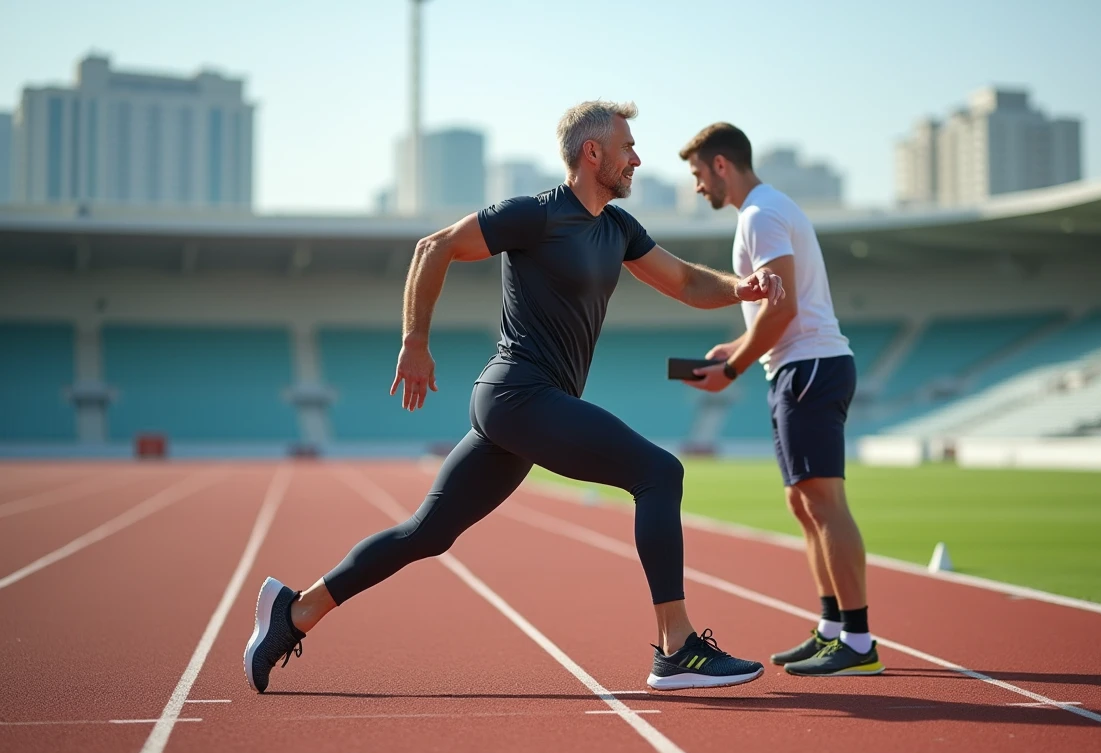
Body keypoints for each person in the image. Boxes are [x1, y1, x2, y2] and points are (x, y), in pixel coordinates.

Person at [244, 102, 786, 693]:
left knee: (427, 534)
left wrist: (743, 287)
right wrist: (415, 342)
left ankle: (294, 611)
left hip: (526, 407)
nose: (637, 157)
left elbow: (684, 281)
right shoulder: (537, 215)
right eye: (628, 146)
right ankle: (676, 647)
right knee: (659, 472)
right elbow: (435, 247)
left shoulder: (618, 230)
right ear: (592, 153)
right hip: (517, 394)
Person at [678, 123, 884, 677]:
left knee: (824, 502)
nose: (698, 187)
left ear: (721, 165)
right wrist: (739, 347)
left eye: (698, 174)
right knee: (804, 503)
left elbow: (784, 306)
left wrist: (734, 368)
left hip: (809, 368)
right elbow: (774, 309)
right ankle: (832, 628)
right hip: (797, 368)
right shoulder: (765, 211)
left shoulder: (760, 214)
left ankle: (860, 642)